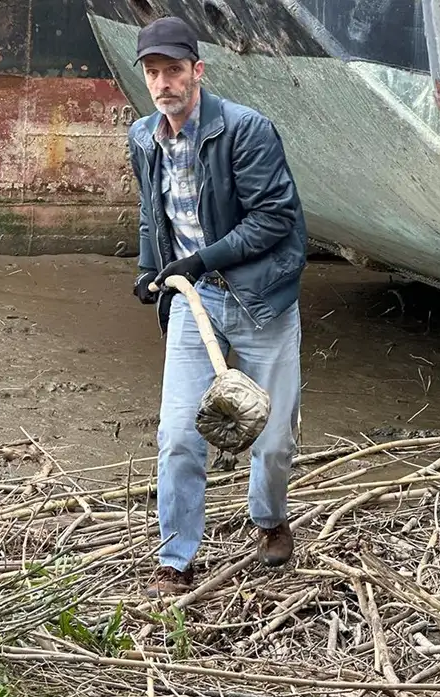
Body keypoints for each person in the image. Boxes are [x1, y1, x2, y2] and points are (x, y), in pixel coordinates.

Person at [126, 15, 308, 597]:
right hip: (194, 300)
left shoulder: (247, 130)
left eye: (174, 70)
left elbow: (274, 217)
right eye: (153, 73)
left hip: (262, 300)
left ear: (197, 71)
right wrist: (149, 269)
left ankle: (270, 519)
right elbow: (152, 214)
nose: (163, 83)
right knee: (179, 433)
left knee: (273, 438)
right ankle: (175, 560)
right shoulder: (143, 137)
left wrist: (200, 260)